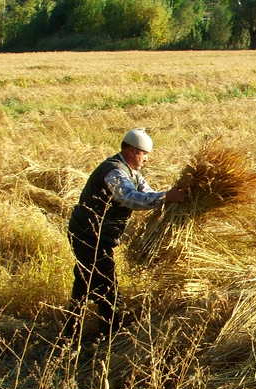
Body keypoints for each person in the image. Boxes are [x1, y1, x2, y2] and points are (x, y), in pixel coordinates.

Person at [65, 128, 184, 337]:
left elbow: (146, 193)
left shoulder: (132, 173)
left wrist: (174, 195)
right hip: (88, 234)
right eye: (144, 154)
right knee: (106, 284)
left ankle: (70, 332)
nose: (146, 159)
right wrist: (166, 197)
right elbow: (129, 198)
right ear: (131, 151)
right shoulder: (114, 171)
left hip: (98, 236)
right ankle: (111, 332)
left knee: (85, 281)